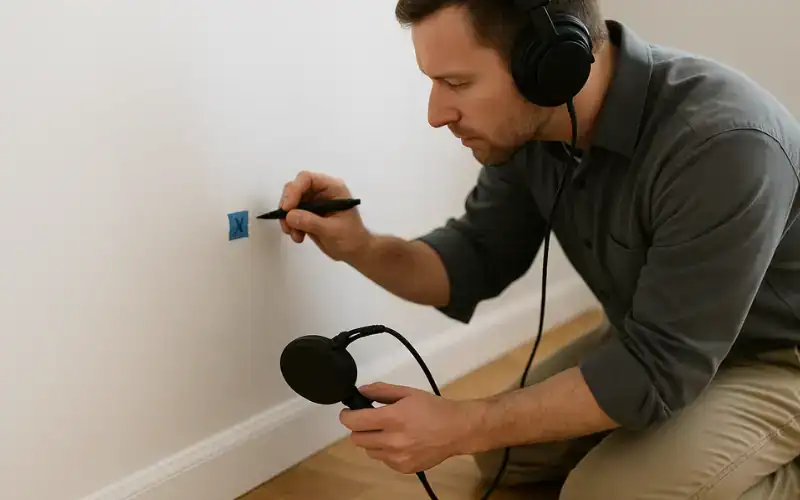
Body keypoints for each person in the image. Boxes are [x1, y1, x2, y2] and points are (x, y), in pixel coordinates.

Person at [278, 0, 800, 498]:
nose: (436, 114)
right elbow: (469, 263)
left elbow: (657, 368)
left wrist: (464, 423)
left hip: (777, 357)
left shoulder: (721, 145)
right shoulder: (537, 130)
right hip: (670, 343)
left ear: (550, 65)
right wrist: (360, 245)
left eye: (456, 83)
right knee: (505, 458)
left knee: (604, 495)